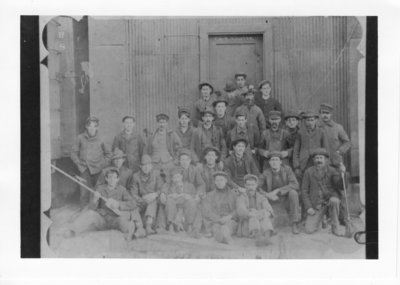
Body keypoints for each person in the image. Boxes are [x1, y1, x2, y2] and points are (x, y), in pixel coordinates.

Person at [64, 167, 145, 240]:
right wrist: (95, 199)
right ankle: (73, 231)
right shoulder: (100, 189)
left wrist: (119, 204)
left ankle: (132, 232)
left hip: (116, 219)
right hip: (102, 220)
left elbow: (133, 203)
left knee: (125, 222)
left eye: (114, 177)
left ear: (118, 179)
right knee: (90, 214)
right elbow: (92, 208)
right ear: (106, 178)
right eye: (109, 177)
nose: (112, 180)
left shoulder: (122, 190)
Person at [301, 148, 346, 236]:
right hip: (316, 205)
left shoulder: (332, 170)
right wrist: (309, 207)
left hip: (329, 202)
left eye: (321, 158)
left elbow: (340, 185)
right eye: (317, 158)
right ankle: (322, 219)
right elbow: (304, 191)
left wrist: (342, 173)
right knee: (309, 230)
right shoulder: (308, 172)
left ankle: (335, 227)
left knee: (334, 200)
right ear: (314, 160)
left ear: (325, 160)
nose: (319, 160)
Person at [71, 116, 112, 206]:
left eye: (94, 126)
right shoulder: (80, 138)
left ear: (97, 127)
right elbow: (73, 153)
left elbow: (109, 154)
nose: (92, 129)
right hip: (84, 169)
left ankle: (100, 211)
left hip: (98, 170)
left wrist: (102, 165)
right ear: (86, 127)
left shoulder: (102, 138)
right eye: (90, 126)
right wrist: (78, 164)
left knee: (99, 192)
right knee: (84, 193)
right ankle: (84, 214)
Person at [258, 151, 301, 234]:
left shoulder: (287, 169)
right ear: (269, 162)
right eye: (272, 160)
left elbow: (295, 184)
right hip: (273, 202)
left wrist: (278, 191)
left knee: (293, 193)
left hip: (286, 200)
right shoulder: (266, 172)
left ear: (280, 162)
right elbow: (257, 187)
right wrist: (268, 195)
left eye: (276, 160)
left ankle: (294, 223)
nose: (274, 162)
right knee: (272, 223)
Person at [160, 167, 201, 238]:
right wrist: (169, 195)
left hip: (186, 209)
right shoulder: (168, 186)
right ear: (172, 179)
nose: (177, 179)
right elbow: (163, 197)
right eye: (174, 177)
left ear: (182, 177)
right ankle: (171, 225)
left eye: (178, 177)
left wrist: (186, 195)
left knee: (191, 202)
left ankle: (190, 226)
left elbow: (196, 198)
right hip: (174, 209)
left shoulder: (189, 185)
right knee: (170, 201)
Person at [235, 174, 274, 246]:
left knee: (265, 215)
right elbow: (241, 210)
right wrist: (253, 213)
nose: (250, 187)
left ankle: (267, 237)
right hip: (247, 226)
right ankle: (258, 238)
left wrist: (265, 213)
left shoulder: (261, 196)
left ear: (256, 186)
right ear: (245, 186)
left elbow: (268, 208)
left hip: (261, 223)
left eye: (253, 185)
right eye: (248, 185)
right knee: (253, 215)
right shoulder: (241, 197)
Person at [130, 154, 164, 235]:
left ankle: (148, 226)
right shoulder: (136, 176)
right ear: (140, 166)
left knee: (153, 201)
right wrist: (142, 200)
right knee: (132, 205)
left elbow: (162, 188)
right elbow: (133, 193)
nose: (146, 167)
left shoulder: (156, 174)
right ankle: (139, 228)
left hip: (153, 200)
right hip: (141, 200)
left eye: (148, 165)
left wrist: (155, 194)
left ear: (151, 166)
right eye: (144, 165)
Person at [293, 110, 330, 183]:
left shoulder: (321, 132)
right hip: (303, 163)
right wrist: (296, 167)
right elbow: (296, 151)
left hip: (316, 161)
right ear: (305, 121)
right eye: (308, 120)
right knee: (304, 182)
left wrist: (326, 164)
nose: (310, 122)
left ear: (316, 120)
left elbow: (326, 150)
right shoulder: (300, 133)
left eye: (312, 120)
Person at [202, 171, 238, 244]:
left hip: (230, 219)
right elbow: (207, 211)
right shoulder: (210, 195)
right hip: (216, 221)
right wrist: (219, 219)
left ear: (226, 181)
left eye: (221, 180)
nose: (219, 182)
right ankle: (224, 237)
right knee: (216, 229)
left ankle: (226, 233)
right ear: (214, 182)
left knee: (229, 226)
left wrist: (229, 216)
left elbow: (238, 209)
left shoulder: (233, 194)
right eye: (217, 180)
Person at [144, 113, 182, 182]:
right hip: (154, 163)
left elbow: (179, 147)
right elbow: (147, 149)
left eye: (164, 122)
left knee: (169, 180)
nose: (161, 125)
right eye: (160, 122)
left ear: (167, 123)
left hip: (168, 162)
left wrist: (176, 159)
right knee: (154, 180)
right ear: (157, 123)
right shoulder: (152, 135)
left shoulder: (171, 134)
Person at [318, 103, 352, 168]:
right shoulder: (317, 128)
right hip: (321, 163)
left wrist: (340, 151)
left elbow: (347, 142)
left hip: (336, 161)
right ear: (320, 114)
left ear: (331, 114)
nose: (325, 115)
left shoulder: (338, 127)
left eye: (327, 113)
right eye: (323, 113)